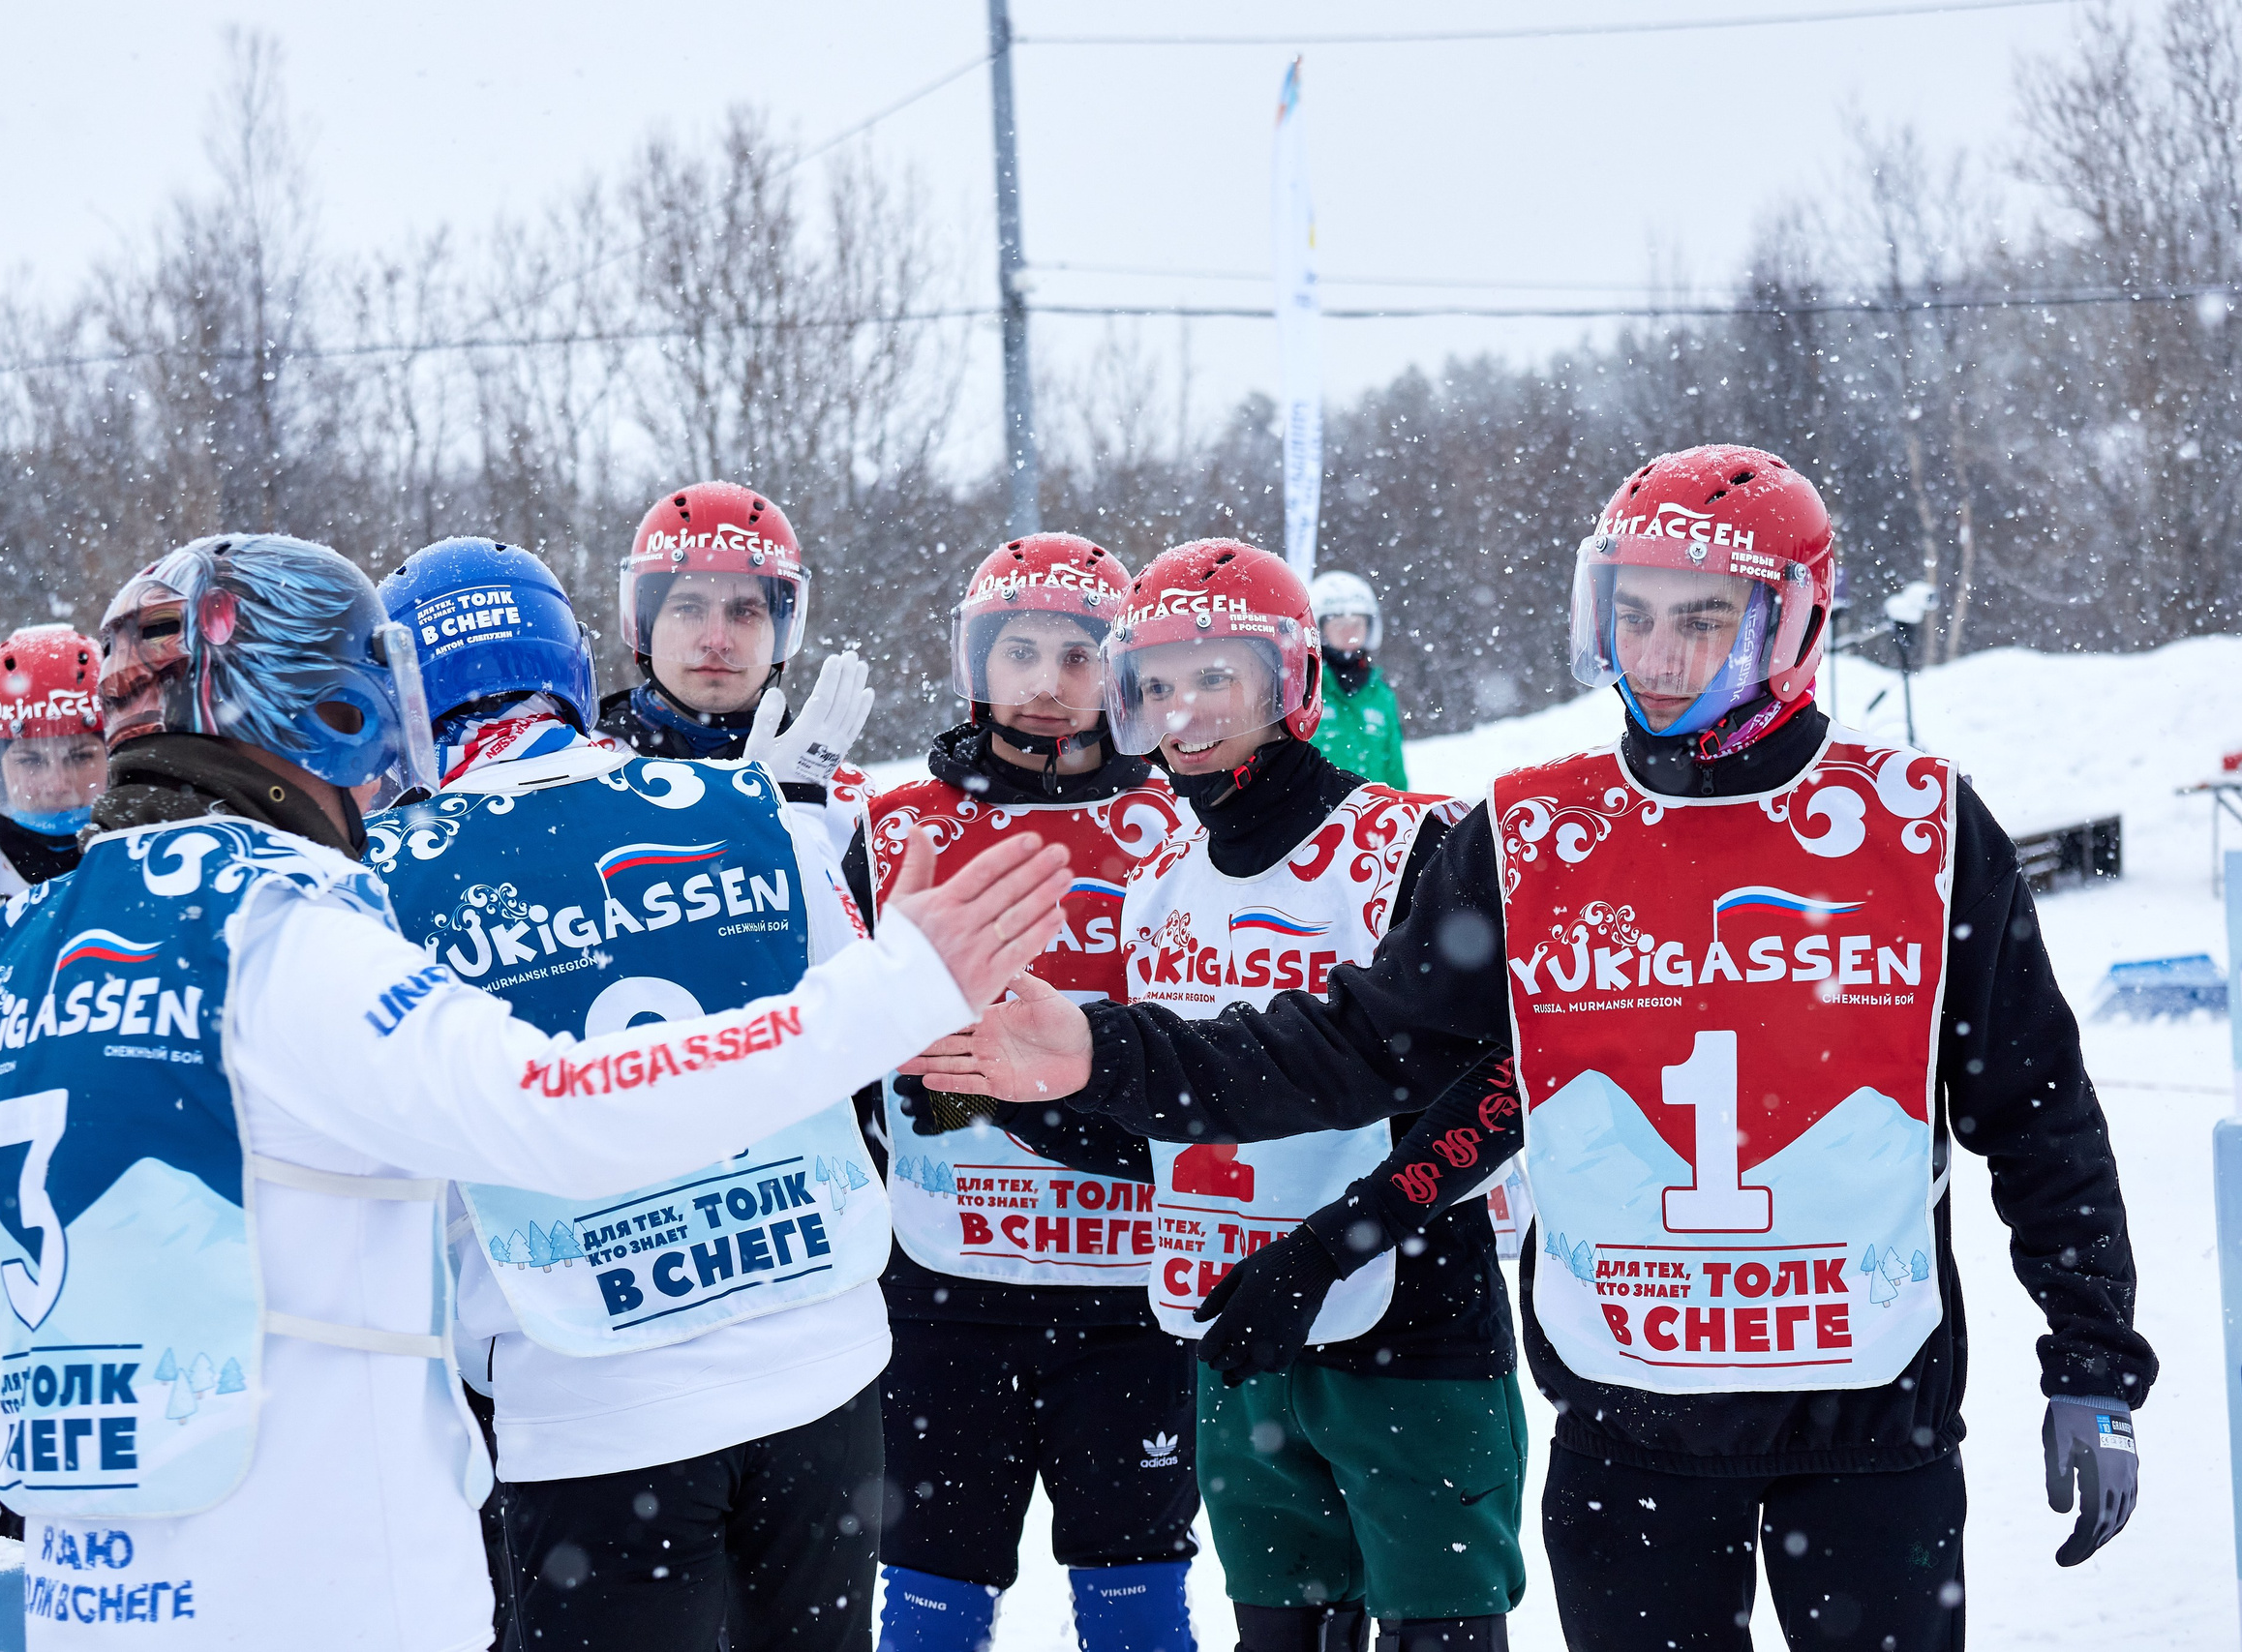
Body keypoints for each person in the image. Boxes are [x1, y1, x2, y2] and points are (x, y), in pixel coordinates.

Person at [908, 447, 2155, 1652]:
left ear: (1793, 623)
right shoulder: (1534, 831)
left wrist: (2091, 1355)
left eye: (1704, 619)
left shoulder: (1917, 824)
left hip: (1871, 1414)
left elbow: (2036, 1110)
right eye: (1635, 614)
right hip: (1630, 1420)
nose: (1659, 657)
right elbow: (1354, 1045)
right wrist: (1101, 1056)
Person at [0, 530, 1070, 1650]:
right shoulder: (279, 925)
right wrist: (895, 988)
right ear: (335, 709)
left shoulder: (3, 950)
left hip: (105, 1583)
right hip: (322, 1573)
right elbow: (559, 1112)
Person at [936, 540, 1523, 1652]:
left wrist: (1335, 1244)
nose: (1182, 715)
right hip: (1235, 1344)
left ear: (1289, 681)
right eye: (1153, 685)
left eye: (1214, 676)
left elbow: (1502, 1094)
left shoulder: (1411, 843)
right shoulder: (1160, 878)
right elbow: (1173, 1124)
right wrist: (1011, 1093)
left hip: (1409, 1336)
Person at [366, 535, 894, 1652]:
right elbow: (863, 1037)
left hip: (590, 1399)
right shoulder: (749, 806)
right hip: (820, 1361)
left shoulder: (379, 877)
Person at [845, 535, 1197, 1652]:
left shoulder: (1180, 825)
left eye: (1079, 656)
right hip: (946, 1281)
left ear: (1124, 669)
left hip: (1132, 1285)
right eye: (1020, 652)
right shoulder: (898, 824)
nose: (1047, 684)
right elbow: (840, 1044)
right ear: (975, 664)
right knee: (930, 1592)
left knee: (1136, 1590)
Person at [596, 481, 876, 850]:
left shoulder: (850, 803)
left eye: (744, 612)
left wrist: (797, 803)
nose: (716, 640)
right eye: (688, 609)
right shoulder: (580, 773)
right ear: (645, 626)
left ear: (780, 633)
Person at [1305, 571, 1406, 791]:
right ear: (1319, 630)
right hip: (1317, 820)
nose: (1349, 633)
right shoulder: (1304, 690)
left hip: (1374, 820)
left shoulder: (1381, 696)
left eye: (1356, 624)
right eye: (1339, 625)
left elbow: (1395, 772)